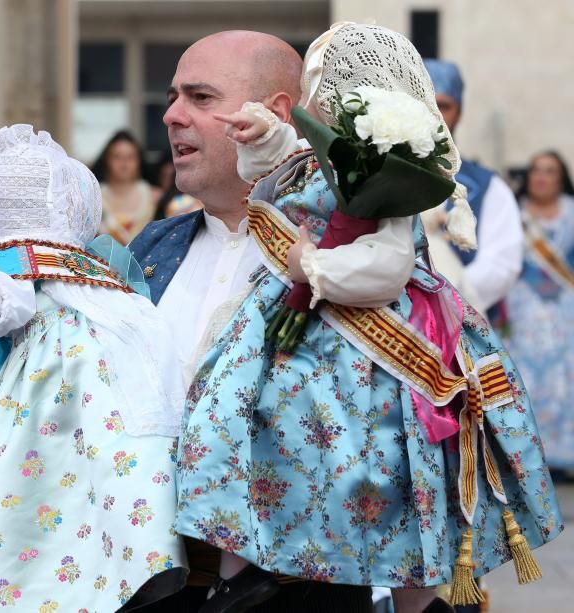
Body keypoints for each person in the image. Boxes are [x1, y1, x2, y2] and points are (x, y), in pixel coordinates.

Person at [166, 23, 562, 613]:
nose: (315, 102)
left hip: (369, 356)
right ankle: (237, 565)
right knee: (236, 425)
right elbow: (276, 161)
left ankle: (411, 591)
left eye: (325, 89)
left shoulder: (390, 176)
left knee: (384, 462)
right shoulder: (316, 158)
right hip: (287, 339)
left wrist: (315, 269)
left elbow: (388, 266)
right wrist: (259, 134)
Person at [130, 30, 376, 613]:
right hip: (163, 586)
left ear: (275, 116)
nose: (171, 116)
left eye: (200, 97)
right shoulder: (151, 246)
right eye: (172, 97)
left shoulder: (344, 249)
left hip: (299, 587)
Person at [0, 125, 187, 612]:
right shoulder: (10, 257)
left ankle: (138, 556)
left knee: (123, 462)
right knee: (50, 477)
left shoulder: (93, 267)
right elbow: (3, 304)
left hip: (102, 375)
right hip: (50, 381)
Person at [423, 59, 523, 314]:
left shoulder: (488, 187)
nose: (435, 113)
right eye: (425, 103)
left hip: (462, 324)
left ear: (459, 113)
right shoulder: (378, 174)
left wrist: (442, 298)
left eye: (444, 106)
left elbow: (502, 264)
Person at [502, 151, 574, 473]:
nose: (542, 177)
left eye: (550, 171)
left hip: (566, 310)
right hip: (521, 309)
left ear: (561, 178)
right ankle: (528, 457)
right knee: (524, 379)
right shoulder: (512, 214)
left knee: (565, 380)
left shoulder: (572, 214)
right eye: (536, 170)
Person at [92, 130, 162, 245]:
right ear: (106, 160)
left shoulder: (155, 197)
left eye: (131, 157)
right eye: (117, 157)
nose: (124, 163)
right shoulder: (94, 196)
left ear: (139, 160)